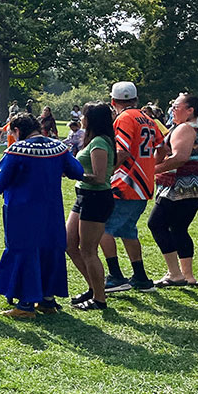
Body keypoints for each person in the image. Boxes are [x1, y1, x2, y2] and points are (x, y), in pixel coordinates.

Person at [0, 113, 84, 318]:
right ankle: (47, 300)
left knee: (24, 252)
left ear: (17, 131)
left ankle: (25, 305)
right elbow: (77, 171)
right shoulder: (58, 148)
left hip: (22, 212)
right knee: (50, 250)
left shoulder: (17, 151)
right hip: (51, 212)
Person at [148, 93, 198, 288]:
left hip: (179, 187)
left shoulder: (183, 128)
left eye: (176, 106)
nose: (173, 110)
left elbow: (180, 157)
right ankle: (187, 275)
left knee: (155, 224)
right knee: (179, 228)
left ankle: (175, 274)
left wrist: (151, 171)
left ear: (190, 110)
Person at [103, 81, 158, 294]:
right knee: (128, 231)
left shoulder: (124, 118)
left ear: (113, 101)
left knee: (101, 227)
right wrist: (152, 167)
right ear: (135, 99)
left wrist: (107, 173)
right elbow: (162, 148)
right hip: (143, 185)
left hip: (126, 184)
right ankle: (141, 277)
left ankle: (116, 276)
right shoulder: (149, 119)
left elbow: (123, 151)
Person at [65, 103, 117, 310]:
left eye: (84, 116)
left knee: (88, 250)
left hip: (96, 198)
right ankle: (94, 288)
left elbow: (99, 176)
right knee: (69, 244)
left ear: (91, 119)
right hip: (84, 196)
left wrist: (74, 173)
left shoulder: (99, 143)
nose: (81, 120)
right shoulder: (94, 140)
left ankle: (99, 299)